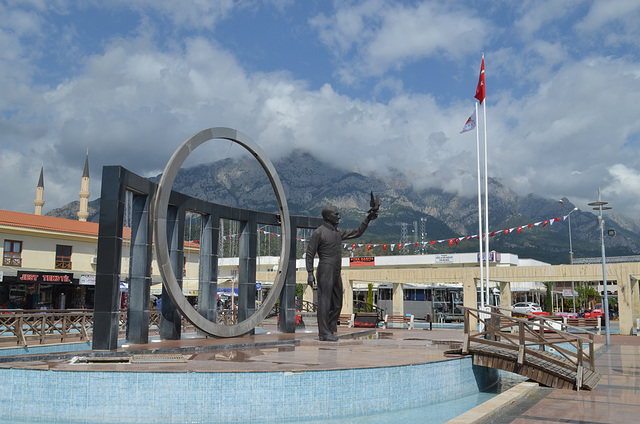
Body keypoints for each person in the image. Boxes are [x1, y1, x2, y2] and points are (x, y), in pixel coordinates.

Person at [306, 195, 379, 341]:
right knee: (324, 301)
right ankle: (324, 333)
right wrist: (310, 272)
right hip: (325, 268)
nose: (339, 216)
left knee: (338, 301)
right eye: (336, 214)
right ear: (327, 217)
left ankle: (330, 326)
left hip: (336, 270)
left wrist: (368, 219)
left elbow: (357, 232)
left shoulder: (338, 232)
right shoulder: (319, 232)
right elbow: (309, 253)